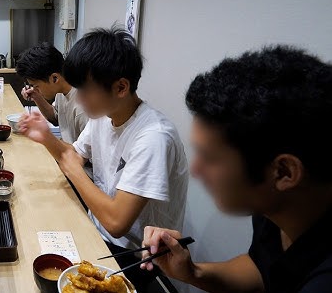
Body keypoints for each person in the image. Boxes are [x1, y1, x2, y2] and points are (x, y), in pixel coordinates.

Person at [141, 46, 332, 293]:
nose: (195, 170)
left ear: (284, 172)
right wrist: (192, 272)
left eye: (209, 158)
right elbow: (261, 269)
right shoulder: (277, 202)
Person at [18, 27, 188, 289]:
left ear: (121, 87)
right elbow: (72, 154)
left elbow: (117, 222)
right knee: (29, 237)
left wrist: (72, 167)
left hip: (133, 259)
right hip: (97, 234)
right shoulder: (104, 116)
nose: (79, 98)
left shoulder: (153, 137)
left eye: (85, 90)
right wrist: (46, 137)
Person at [15, 42, 88, 145]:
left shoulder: (83, 105)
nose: (35, 89)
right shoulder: (60, 91)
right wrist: (36, 96)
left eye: (36, 86)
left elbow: (84, 155)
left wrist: (45, 137)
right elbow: (55, 118)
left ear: (54, 78)